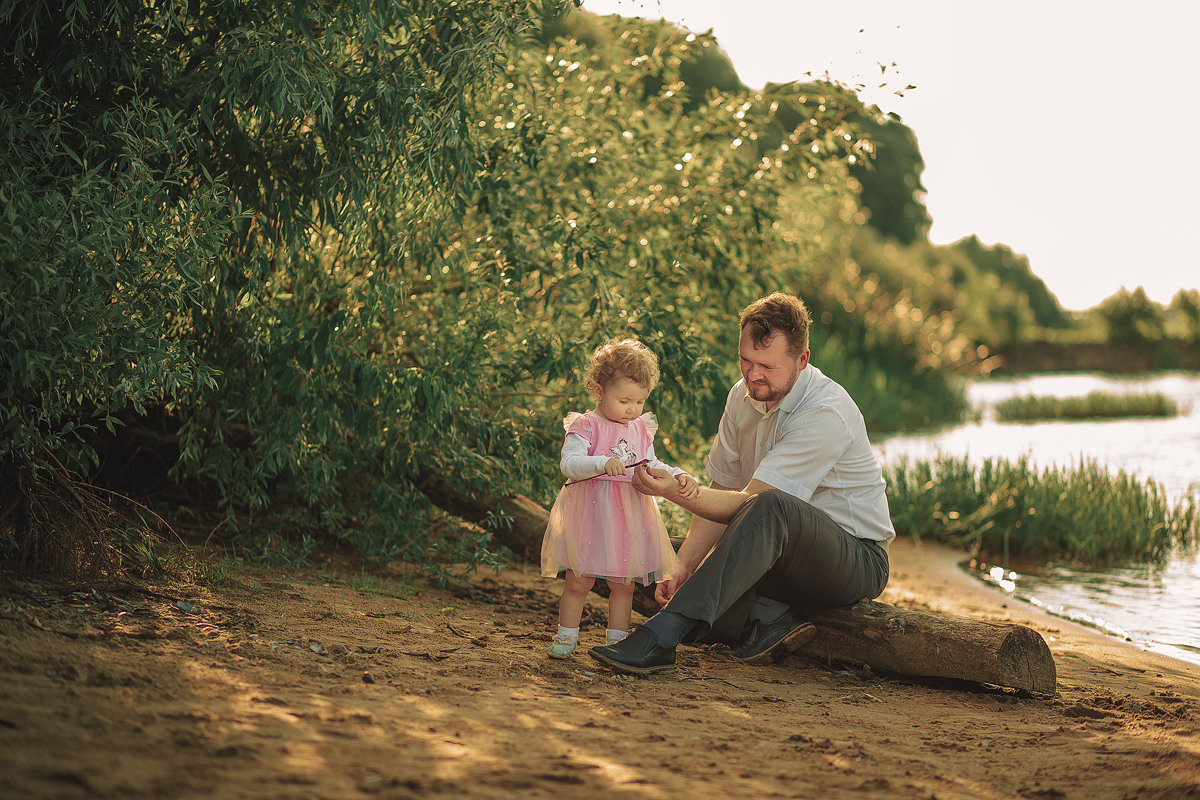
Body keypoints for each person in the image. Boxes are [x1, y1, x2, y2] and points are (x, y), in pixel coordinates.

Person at [589, 293, 894, 674]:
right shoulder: (741, 396)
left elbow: (751, 504)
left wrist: (676, 491)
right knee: (656, 550)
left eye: (767, 365)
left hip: (853, 560)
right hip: (772, 555)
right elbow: (725, 488)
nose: (753, 375)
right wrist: (684, 566)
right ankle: (769, 618)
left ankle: (664, 637)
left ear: (802, 360)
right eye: (746, 361)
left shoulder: (826, 411)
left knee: (770, 506)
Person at [540, 339, 700, 659]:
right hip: (590, 511)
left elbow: (650, 463)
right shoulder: (586, 425)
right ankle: (567, 636)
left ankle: (617, 643)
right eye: (625, 400)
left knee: (623, 584)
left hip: (628, 514)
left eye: (640, 401)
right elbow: (568, 464)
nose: (633, 409)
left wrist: (679, 474)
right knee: (579, 579)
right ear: (599, 391)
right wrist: (600, 463)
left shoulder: (640, 427)